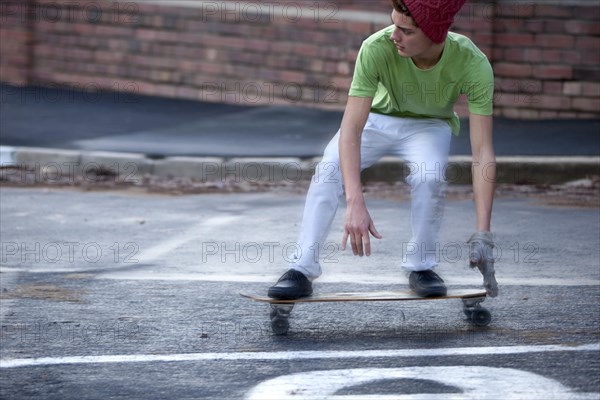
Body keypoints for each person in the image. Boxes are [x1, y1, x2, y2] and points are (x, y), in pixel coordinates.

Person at [268, 0, 498, 300]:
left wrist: (483, 233)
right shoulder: (376, 47)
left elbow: (482, 153)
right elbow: (350, 130)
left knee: (429, 176)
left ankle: (421, 266)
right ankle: (300, 268)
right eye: (394, 25)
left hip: (429, 124)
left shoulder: (472, 62)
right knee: (329, 168)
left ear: (435, 33)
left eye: (406, 31)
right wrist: (355, 201)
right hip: (377, 118)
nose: (394, 36)